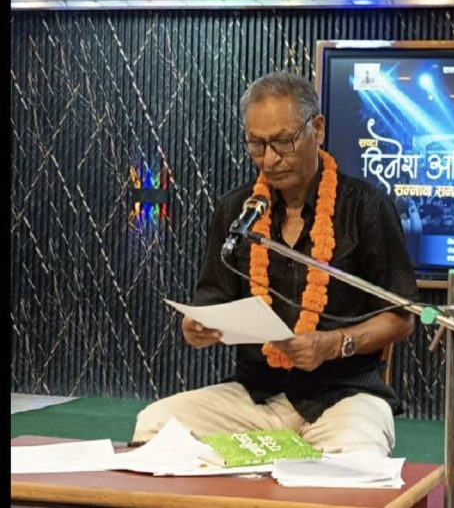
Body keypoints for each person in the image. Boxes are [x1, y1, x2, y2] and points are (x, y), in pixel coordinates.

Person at [132, 72, 419, 457]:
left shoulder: (365, 207)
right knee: (155, 425)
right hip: (256, 395)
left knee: (354, 457)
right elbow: (212, 299)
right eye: (257, 144)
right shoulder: (237, 211)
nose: (269, 159)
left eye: (283, 142)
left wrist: (334, 344)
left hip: (345, 395)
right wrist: (198, 326)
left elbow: (401, 317)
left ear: (317, 129)